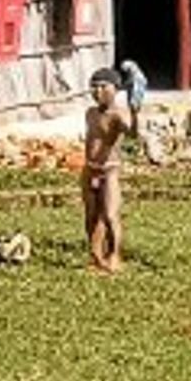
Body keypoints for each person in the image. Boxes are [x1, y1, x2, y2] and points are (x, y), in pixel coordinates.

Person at [81, 66, 133, 274]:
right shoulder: (90, 113)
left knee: (110, 215)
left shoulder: (119, 115)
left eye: (104, 87)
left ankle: (115, 255)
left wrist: (133, 112)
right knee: (91, 216)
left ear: (116, 89)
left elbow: (130, 129)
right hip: (90, 169)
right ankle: (96, 256)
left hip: (109, 171)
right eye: (94, 87)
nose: (98, 92)